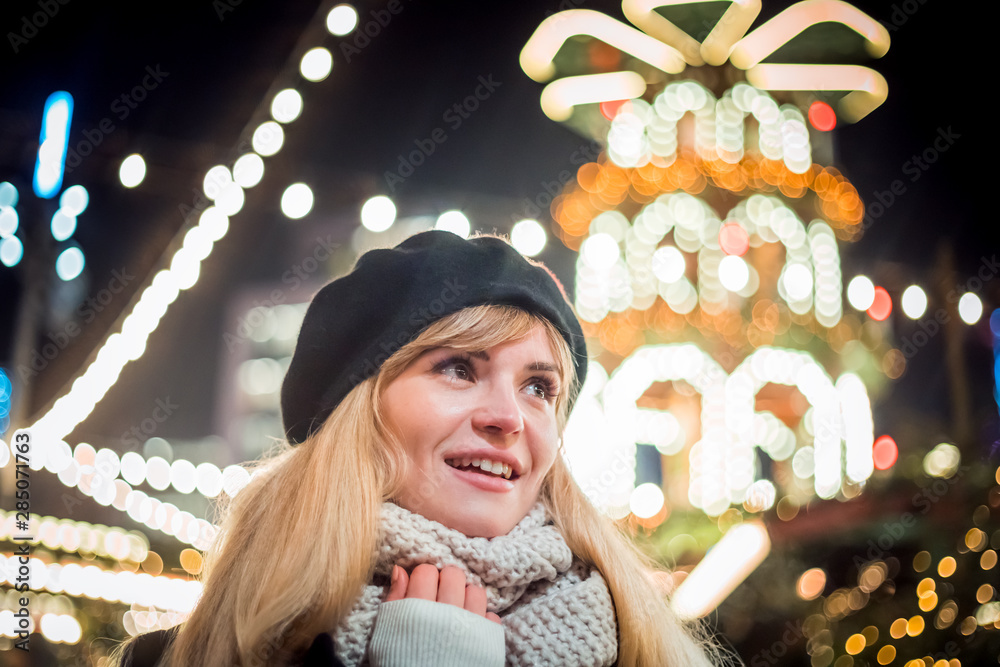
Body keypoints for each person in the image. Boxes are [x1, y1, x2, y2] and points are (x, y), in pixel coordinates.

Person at [115, 230, 725, 666]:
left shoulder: (642, 647)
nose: (508, 418)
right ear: (359, 408)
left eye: (539, 387)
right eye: (458, 369)